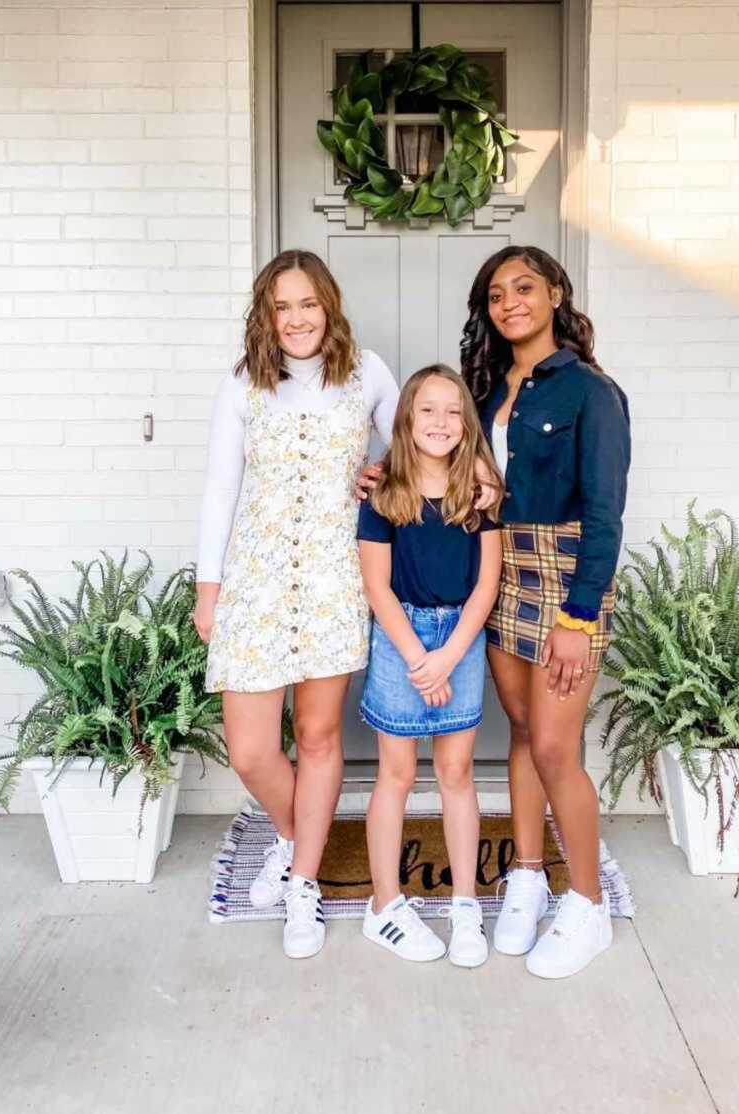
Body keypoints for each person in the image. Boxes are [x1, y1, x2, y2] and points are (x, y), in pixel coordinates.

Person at [193, 250, 398, 960]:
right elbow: (220, 489)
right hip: (252, 580)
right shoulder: (244, 381)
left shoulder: (367, 372)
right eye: (283, 306)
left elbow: (424, 449)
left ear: (328, 305)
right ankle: (294, 834)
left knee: (317, 738)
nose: (298, 318)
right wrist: (207, 587)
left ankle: (304, 882)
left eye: (308, 303)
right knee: (251, 749)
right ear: (267, 314)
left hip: (335, 581)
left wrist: (385, 472)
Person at [461, 244, 630, 979]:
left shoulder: (590, 392)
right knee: (524, 733)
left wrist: (579, 617)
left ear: (556, 293)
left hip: (567, 583)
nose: (509, 304)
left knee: (558, 748)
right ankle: (527, 874)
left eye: (524, 287)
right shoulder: (491, 388)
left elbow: (606, 514)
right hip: (505, 572)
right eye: (496, 295)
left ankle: (586, 904)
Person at [357, 366, 504, 967]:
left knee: (456, 771)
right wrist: (420, 658)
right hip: (402, 641)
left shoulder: (479, 492)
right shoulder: (384, 490)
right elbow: (376, 586)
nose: (440, 422)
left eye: (452, 411)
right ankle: (384, 905)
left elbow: (487, 581)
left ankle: (465, 902)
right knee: (395, 773)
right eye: (427, 410)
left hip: (460, 639)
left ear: (465, 422)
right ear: (406, 419)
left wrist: (450, 654)